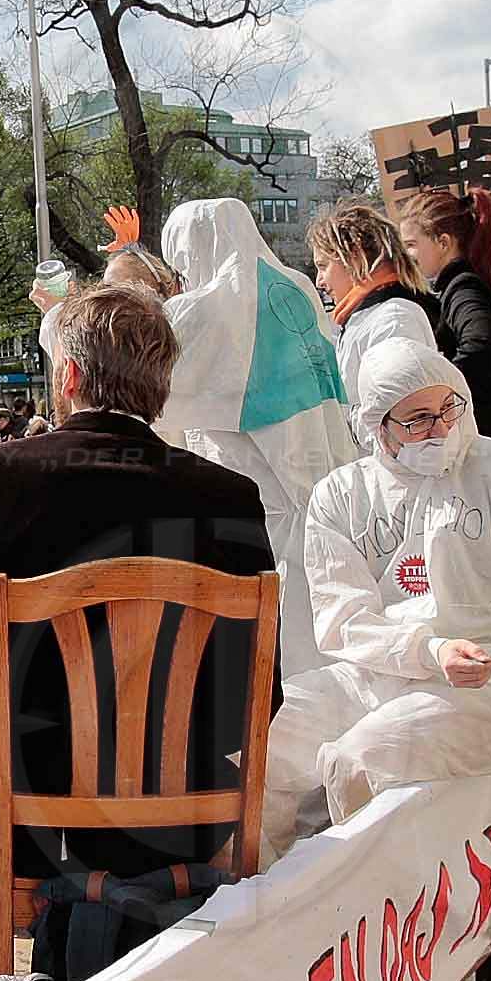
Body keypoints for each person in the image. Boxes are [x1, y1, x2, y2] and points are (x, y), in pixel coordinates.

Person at [0, 285, 275, 883]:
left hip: (21, 809)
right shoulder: (227, 495)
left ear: (69, 375)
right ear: (160, 387)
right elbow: (262, 687)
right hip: (185, 811)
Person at [266, 336, 491, 836]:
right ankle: (258, 888)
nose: (441, 428)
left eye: (448, 407)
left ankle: (369, 903)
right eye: (417, 420)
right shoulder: (341, 495)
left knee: (360, 759)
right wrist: (431, 652)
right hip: (377, 674)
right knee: (259, 742)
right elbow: (344, 623)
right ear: (378, 428)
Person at [158, 197, 360, 676]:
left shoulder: (196, 313)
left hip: (251, 506)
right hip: (330, 492)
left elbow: (157, 409)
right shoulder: (299, 288)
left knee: (267, 661)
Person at [391, 185, 491, 443]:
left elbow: (481, 348)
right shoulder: (462, 284)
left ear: (443, 242)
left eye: (411, 245)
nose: (406, 255)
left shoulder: (464, 288)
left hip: (482, 433)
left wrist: (435, 395)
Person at [306, 202, 451, 378]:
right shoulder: (370, 317)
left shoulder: (393, 319)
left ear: (355, 257)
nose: (319, 282)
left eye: (323, 266)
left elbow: (399, 399)